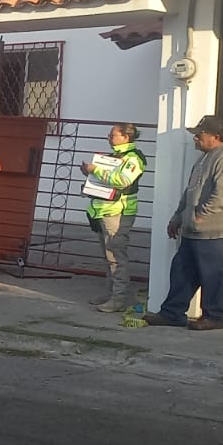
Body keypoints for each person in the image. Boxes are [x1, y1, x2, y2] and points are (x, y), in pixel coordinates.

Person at [145, 115, 223, 331]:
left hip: (213, 230)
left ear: (215, 136)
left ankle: (215, 316)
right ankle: (172, 313)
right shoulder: (203, 159)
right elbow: (190, 192)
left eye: (199, 135)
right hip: (193, 229)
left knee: (216, 273)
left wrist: (201, 216)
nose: (195, 139)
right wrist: (178, 217)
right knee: (182, 271)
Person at [78, 123, 148, 312]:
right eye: (109, 135)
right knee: (108, 256)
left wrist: (95, 170)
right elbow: (105, 180)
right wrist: (89, 177)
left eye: (113, 135)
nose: (109, 138)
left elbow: (122, 180)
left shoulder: (133, 158)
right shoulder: (113, 157)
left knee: (116, 257)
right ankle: (111, 294)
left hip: (118, 212)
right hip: (103, 210)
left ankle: (118, 299)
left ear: (126, 137)